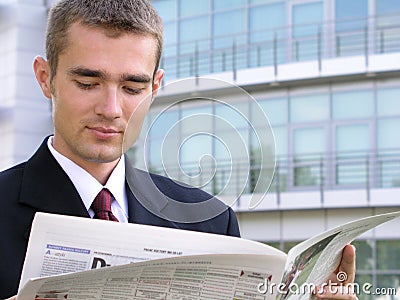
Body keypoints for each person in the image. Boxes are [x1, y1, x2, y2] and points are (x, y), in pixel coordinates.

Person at [0, 0, 356, 299]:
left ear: (155, 86)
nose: (110, 108)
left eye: (132, 88)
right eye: (88, 83)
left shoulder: (209, 221)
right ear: (45, 78)